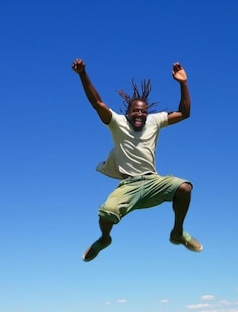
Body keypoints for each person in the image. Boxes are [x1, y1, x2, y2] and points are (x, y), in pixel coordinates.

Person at [72, 58, 202, 262]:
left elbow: (185, 113)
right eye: (136, 111)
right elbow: (97, 103)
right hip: (129, 185)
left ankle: (177, 233)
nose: (140, 114)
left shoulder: (154, 121)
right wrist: (82, 74)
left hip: (153, 181)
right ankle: (105, 239)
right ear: (128, 113)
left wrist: (183, 83)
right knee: (106, 213)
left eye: (143, 110)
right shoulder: (117, 123)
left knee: (184, 188)